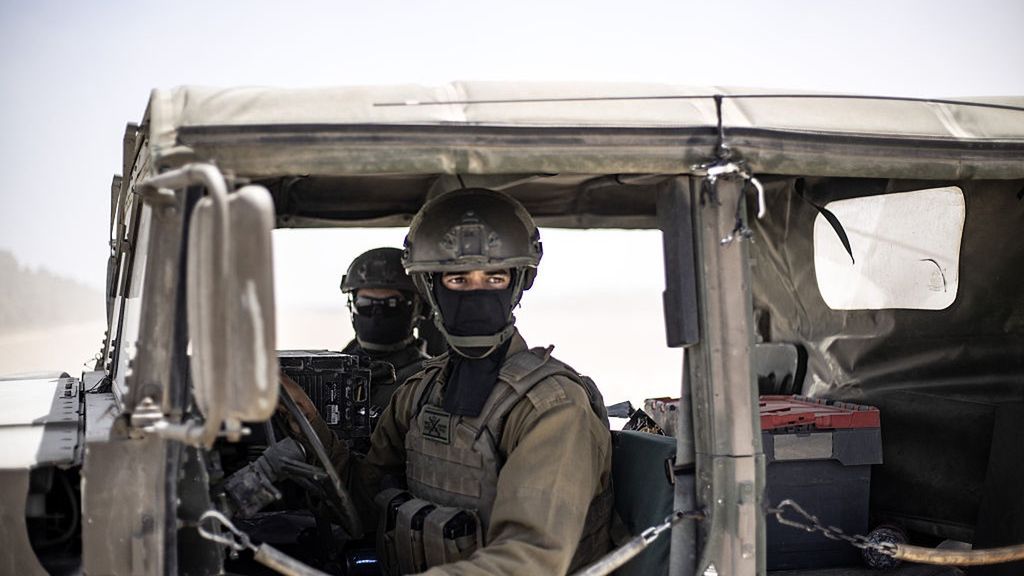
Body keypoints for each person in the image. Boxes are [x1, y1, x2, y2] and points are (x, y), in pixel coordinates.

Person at [283, 188, 613, 575]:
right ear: (431, 287)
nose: (476, 292)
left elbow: (528, 562)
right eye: (457, 279)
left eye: (494, 277)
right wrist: (304, 416)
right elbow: (362, 506)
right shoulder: (420, 394)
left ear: (518, 283)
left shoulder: (551, 406)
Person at [339, 247, 429, 411]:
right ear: (352, 306)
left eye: (391, 304)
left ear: (418, 310)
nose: (377, 314)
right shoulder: (331, 370)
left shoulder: (428, 380)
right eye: (365, 304)